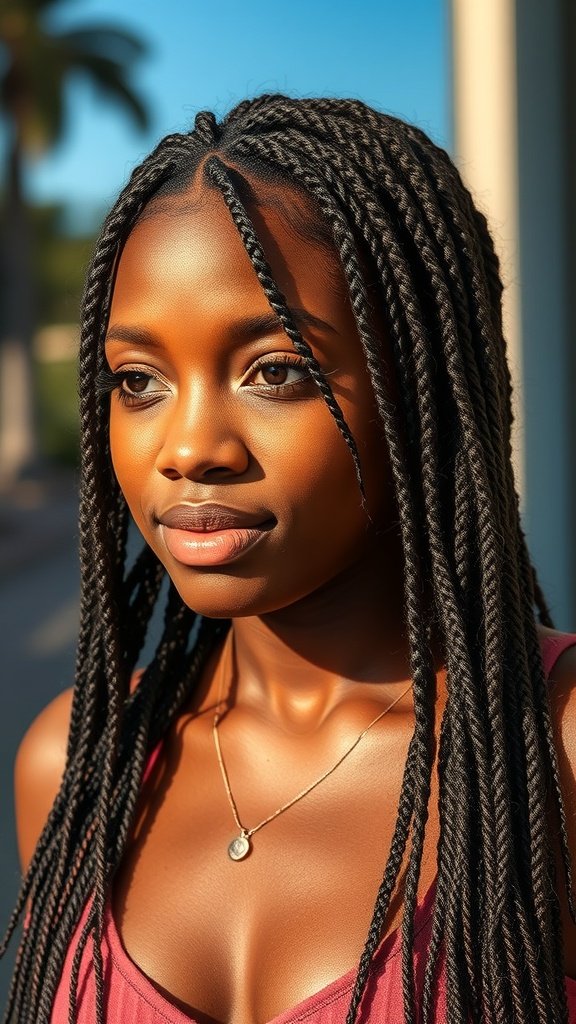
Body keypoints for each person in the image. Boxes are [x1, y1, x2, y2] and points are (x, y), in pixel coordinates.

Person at [2, 94, 576, 1024]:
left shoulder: (554, 754)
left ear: (421, 390)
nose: (190, 448)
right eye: (138, 381)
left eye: (275, 371)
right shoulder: (77, 762)